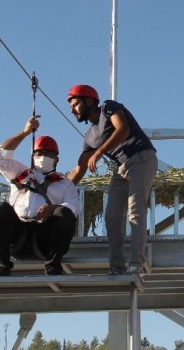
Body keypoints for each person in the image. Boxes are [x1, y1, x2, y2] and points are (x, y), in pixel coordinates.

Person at [67, 84, 158, 275]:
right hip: (122, 168)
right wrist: (58, 189)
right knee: (112, 217)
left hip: (141, 157)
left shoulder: (108, 107)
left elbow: (122, 129)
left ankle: (136, 264)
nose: (72, 109)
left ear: (89, 101)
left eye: (75, 104)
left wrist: (99, 152)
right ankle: (117, 267)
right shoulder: (89, 136)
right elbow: (80, 167)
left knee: (135, 210)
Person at [0, 116, 79, 276]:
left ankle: (53, 266)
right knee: (0, 208)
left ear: (56, 158)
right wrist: (25, 133)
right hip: (18, 236)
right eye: (39, 153)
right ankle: (1, 265)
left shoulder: (65, 185)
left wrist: (52, 209)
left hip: (45, 239)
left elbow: (73, 209)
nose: (43, 156)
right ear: (33, 156)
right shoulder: (20, 173)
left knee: (64, 213)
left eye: (48, 153)